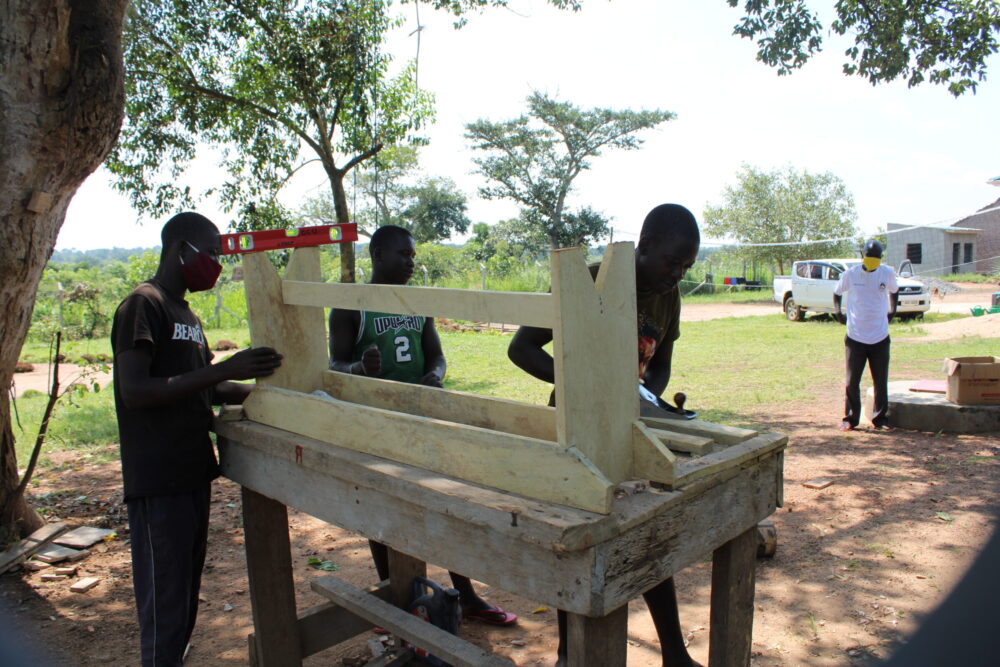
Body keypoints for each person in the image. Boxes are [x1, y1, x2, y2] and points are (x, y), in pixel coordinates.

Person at [507, 203, 702, 667]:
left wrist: (642, 398)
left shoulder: (668, 297)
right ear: (645, 244)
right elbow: (521, 348)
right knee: (576, 545)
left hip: (630, 430)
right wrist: (586, 386)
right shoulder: (588, 281)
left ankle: (673, 653)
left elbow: (661, 367)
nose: (677, 274)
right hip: (575, 432)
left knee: (648, 533)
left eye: (687, 267)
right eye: (671, 262)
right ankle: (567, 654)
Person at [111, 212, 283, 666]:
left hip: (191, 471)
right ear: (180, 247)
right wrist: (225, 367)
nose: (215, 264)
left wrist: (270, 395)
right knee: (164, 598)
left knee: (184, 592)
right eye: (210, 253)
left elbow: (206, 386)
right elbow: (136, 391)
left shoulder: (187, 314)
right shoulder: (142, 304)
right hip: (157, 476)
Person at [328, 224, 517, 627]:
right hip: (374, 424)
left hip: (421, 418)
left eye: (413, 255)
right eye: (403, 255)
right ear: (377, 255)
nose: (412, 262)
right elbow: (334, 366)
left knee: (443, 505)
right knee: (382, 510)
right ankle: (397, 594)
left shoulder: (417, 302)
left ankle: (464, 595)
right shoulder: (350, 305)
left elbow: (436, 355)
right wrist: (360, 368)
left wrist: (435, 374)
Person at [833, 239, 898, 431]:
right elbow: (836, 293)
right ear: (863, 256)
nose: (873, 261)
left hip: (880, 337)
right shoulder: (851, 275)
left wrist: (893, 310)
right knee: (852, 381)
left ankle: (880, 419)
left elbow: (895, 291)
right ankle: (851, 419)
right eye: (870, 257)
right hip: (855, 337)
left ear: (880, 258)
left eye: (876, 258)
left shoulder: (887, 273)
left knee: (880, 380)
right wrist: (838, 313)